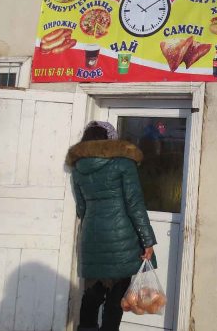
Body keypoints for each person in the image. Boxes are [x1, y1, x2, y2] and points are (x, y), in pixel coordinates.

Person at [66, 121, 157, 331]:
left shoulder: (78, 168)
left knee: (92, 296)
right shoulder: (123, 164)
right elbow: (135, 205)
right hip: (122, 243)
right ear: (111, 141)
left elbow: (82, 209)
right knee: (115, 302)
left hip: (92, 239)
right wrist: (148, 241)